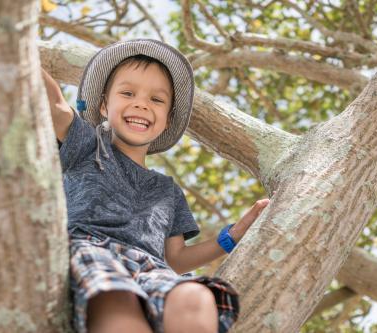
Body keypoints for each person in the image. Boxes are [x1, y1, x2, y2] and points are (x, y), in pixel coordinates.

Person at [42, 39, 270, 333]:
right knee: (118, 304)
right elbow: (54, 104)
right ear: (102, 105)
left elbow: (175, 259)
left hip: (151, 269)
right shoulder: (86, 144)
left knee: (196, 297)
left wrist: (232, 237)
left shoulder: (168, 190)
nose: (141, 103)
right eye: (127, 93)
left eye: (157, 100)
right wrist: (12, 42)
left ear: (167, 119)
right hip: (92, 252)